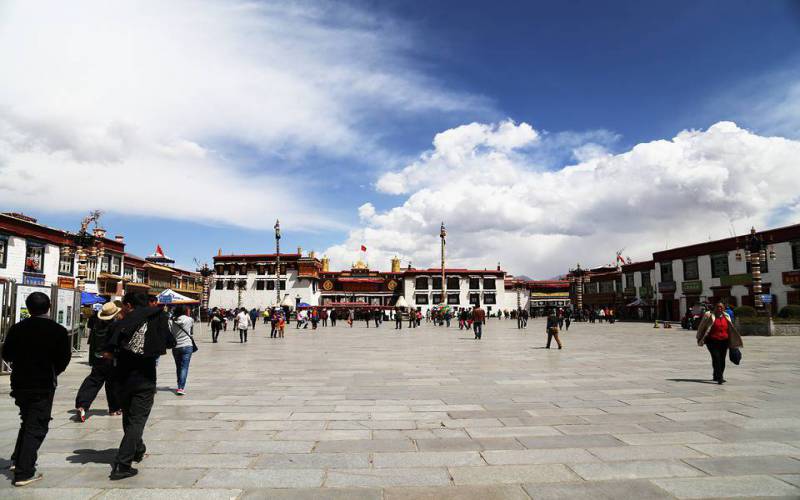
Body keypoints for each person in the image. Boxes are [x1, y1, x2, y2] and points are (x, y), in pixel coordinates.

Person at [2, 292, 71, 486]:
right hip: (42, 383)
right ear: (49, 307)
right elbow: (63, 359)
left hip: (20, 382)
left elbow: (7, 354)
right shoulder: (57, 330)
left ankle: (18, 459)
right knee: (37, 424)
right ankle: (24, 472)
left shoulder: (17, 328)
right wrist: (53, 371)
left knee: (28, 419)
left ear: (28, 307)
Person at [105, 292, 174, 480]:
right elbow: (169, 342)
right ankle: (123, 464)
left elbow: (108, 353)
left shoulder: (122, 322)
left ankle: (138, 449)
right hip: (145, 377)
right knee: (137, 420)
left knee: (129, 417)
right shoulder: (157, 318)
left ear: (129, 305)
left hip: (122, 378)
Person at [76, 300, 123, 422]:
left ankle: (82, 405)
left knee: (93, 381)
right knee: (112, 384)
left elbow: (92, 343)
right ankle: (114, 409)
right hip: (110, 358)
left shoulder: (97, 325)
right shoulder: (116, 326)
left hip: (98, 357)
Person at [696, 302, 743, 384]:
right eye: (718, 307)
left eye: (721, 307)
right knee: (716, 358)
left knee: (722, 359)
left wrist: (733, 339)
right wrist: (699, 336)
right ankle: (720, 377)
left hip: (724, 341)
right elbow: (702, 326)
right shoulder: (709, 315)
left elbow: (730, 328)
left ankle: (716, 374)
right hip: (712, 341)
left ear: (723, 308)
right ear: (715, 308)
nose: (719, 308)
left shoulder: (726, 316)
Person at [169, 306, 195, 396]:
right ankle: (181, 387)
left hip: (176, 346)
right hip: (187, 345)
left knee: (178, 367)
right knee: (184, 367)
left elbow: (170, 333)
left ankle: (179, 385)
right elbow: (191, 328)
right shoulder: (189, 319)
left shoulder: (171, 321)